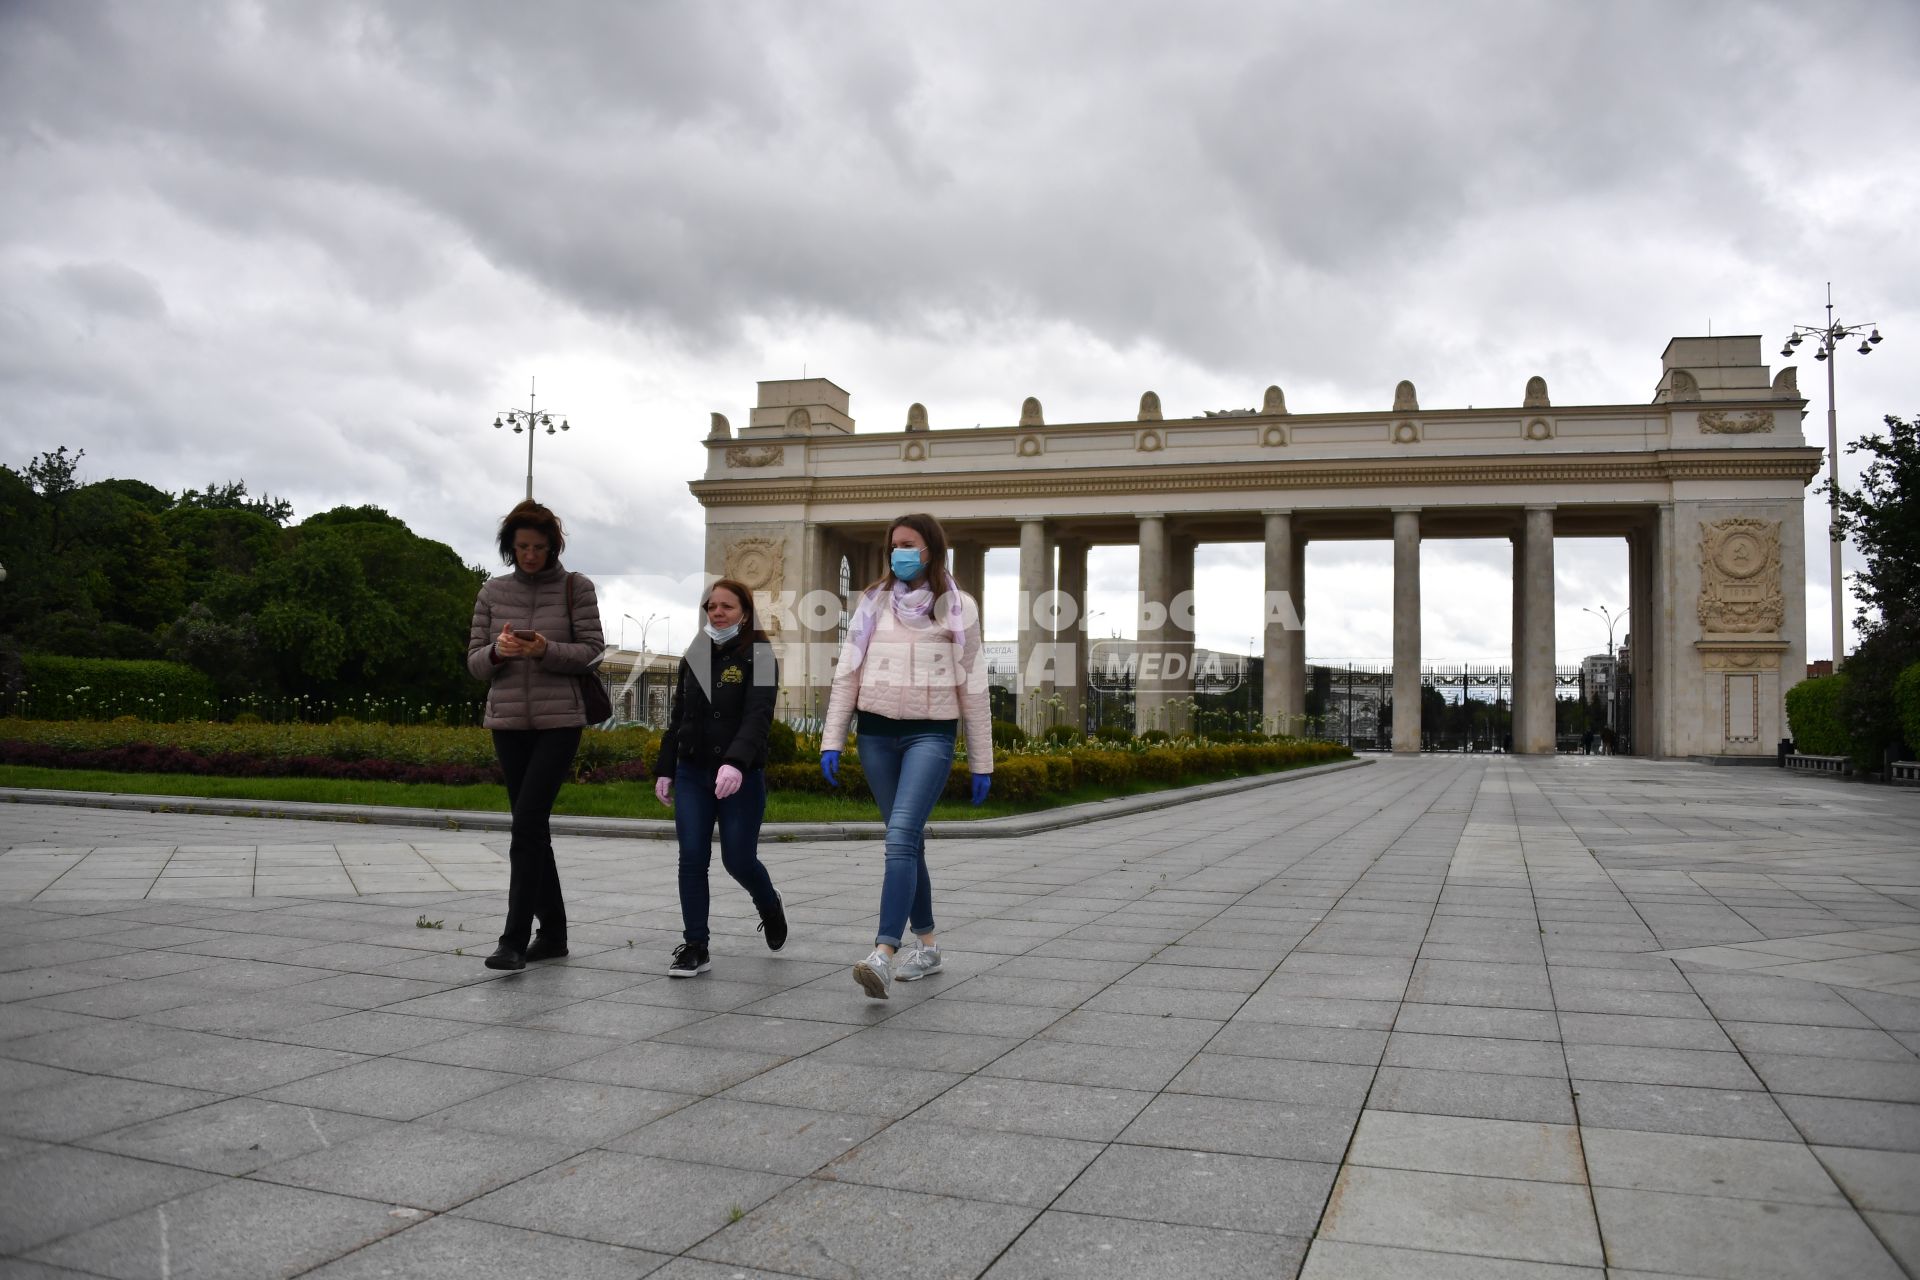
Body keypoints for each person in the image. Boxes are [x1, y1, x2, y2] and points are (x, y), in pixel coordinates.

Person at [821, 513, 993, 999]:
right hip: (875, 736)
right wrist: (831, 739)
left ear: (931, 550)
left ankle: (883, 953)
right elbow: (847, 674)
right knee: (908, 841)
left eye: (908, 544)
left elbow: (974, 687)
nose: (899, 551)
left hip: (930, 737)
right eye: (893, 544)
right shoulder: (872, 604)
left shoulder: (959, 608)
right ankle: (930, 945)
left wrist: (982, 761)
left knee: (898, 838)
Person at [466, 500, 604, 971]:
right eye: (522, 547)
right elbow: (474, 663)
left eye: (539, 547)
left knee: (525, 827)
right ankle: (556, 936)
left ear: (553, 546)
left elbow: (592, 653)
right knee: (532, 830)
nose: (530, 555)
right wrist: (498, 652)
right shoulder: (491, 591)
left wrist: (546, 649)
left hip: (560, 721)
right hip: (507, 722)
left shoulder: (575, 588)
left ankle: (512, 940)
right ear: (510, 546)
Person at [651, 579, 788, 976]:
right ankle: (695, 945)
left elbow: (758, 716)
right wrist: (666, 766)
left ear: (744, 612)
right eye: (711, 607)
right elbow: (679, 717)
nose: (717, 613)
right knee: (692, 856)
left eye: (726, 607)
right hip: (693, 771)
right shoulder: (694, 653)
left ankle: (769, 903)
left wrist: (737, 761)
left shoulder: (760, 654)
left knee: (738, 860)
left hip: (739, 775)